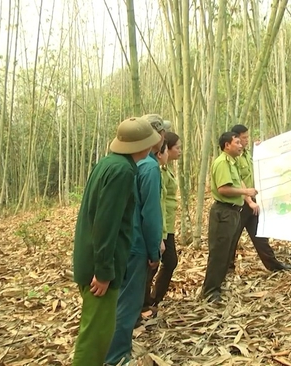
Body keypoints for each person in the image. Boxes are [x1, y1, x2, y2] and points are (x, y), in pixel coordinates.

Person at [71, 117, 161, 366]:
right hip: (98, 269)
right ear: (142, 146)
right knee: (95, 337)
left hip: (95, 261)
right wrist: (103, 272)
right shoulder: (121, 171)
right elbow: (105, 224)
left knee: (100, 330)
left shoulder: (110, 164)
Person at [105, 116, 167, 365]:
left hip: (122, 242)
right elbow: (150, 214)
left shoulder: (123, 164)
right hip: (137, 243)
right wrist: (154, 251)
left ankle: (111, 350)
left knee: (118, 300)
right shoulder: (149, 167)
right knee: (128, 305)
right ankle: (117, 357)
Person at [227, 124, 291, 272]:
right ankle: (227, 268)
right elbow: (238, 180)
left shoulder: (248, 154)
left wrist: (262, 148)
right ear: (235, 138)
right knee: (233, 237)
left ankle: (274, 266)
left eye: (246, 137)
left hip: (253, 202)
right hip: (241, 203)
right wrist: (249, 201)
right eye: (243, 138)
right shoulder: (233, 158)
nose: (245, 140)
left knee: (260, 235)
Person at [202, 132, 258, 303]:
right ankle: (210, 292)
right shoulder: (222, 163)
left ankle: (217, 286)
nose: (241, 146)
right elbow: (223, 189)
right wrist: (245, 192)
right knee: (219, 252)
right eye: (237, 143)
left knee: (226, 252)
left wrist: (247, 198)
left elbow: (238, 181)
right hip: (223, 212)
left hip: (234, 211)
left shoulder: (233, 163)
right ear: (227, 145)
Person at [144, 132, 182, 311]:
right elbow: (157, 203)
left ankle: (152, 299)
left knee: (167, 262)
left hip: (168, 225)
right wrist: (160, 235)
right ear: (161, 152)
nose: (179, 151)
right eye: (176, 148)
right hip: (161, 227)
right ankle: (145, 302)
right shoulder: (154, 171)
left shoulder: (165, 168)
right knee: (153, 265)